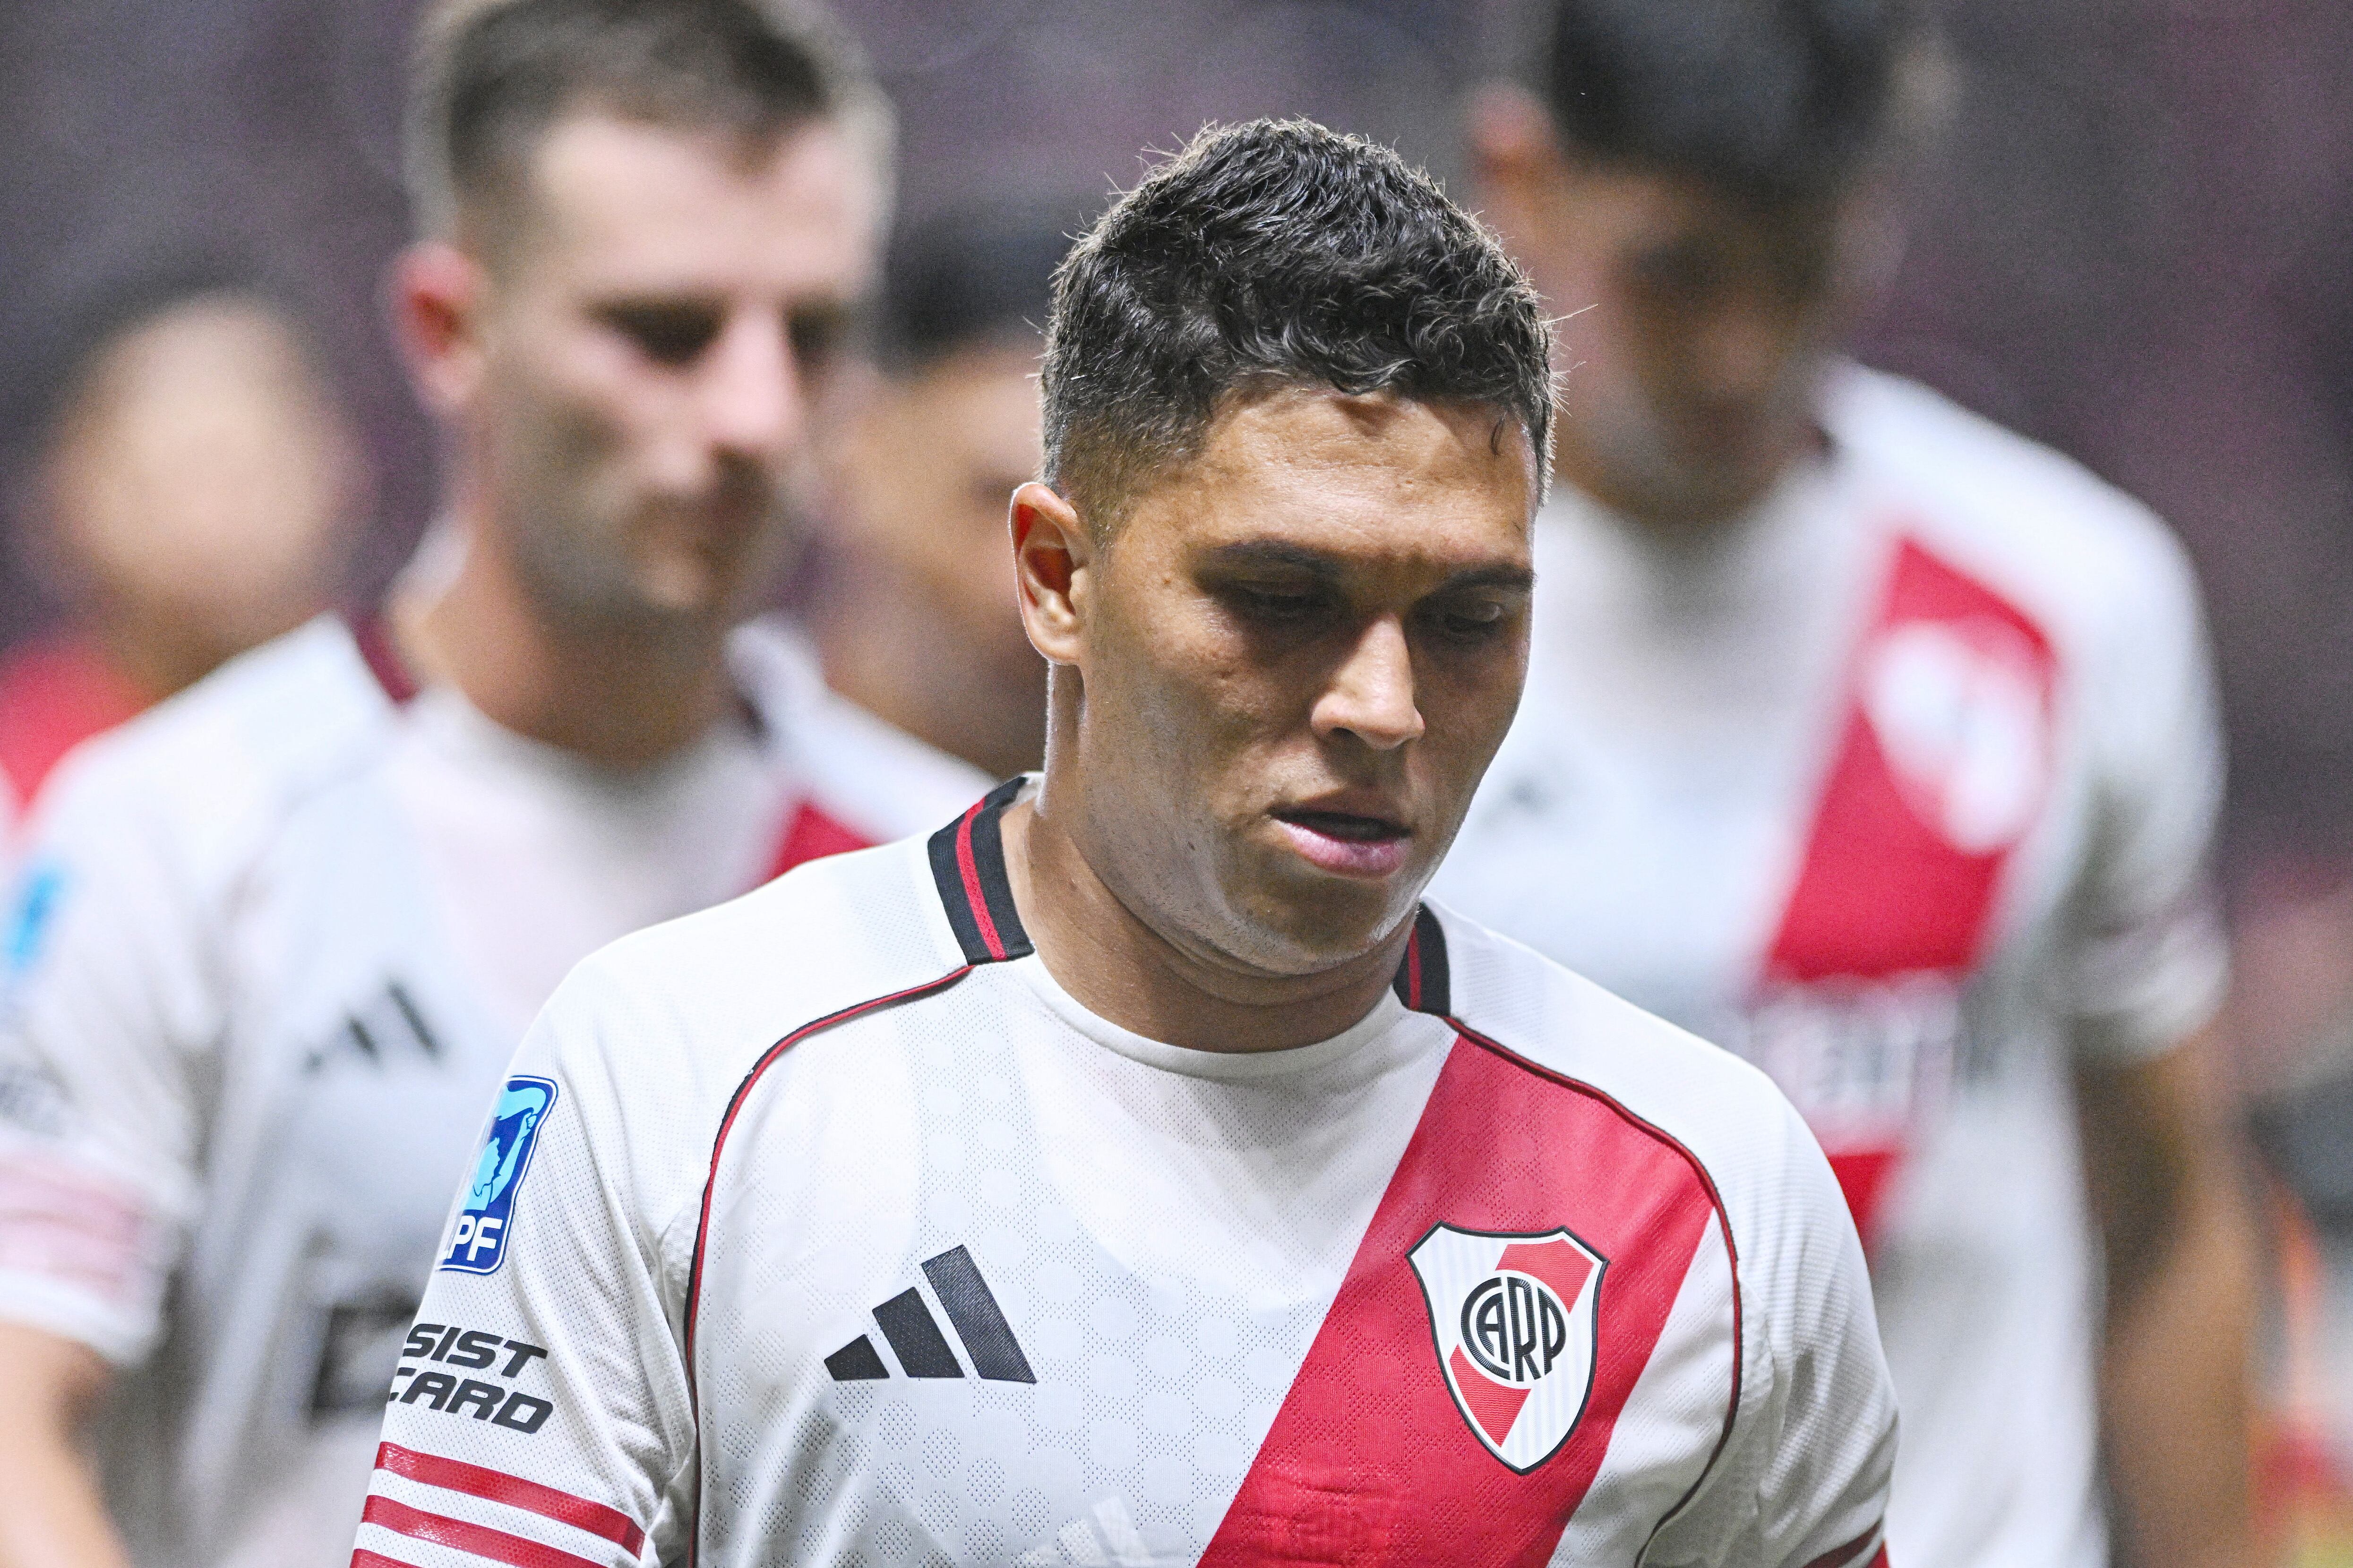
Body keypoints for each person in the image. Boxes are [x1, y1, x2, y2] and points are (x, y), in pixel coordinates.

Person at [358, 118, 1896, 1568]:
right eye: (1279, 598)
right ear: (1056, 576)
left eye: (1468, 618)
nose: (1382, 702)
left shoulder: (1706, 1190)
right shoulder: (685, 1076)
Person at [0, 2, 987, 1565]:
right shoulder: (173, 829)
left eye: (808, 332)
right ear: (451, 331)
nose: (753, 415)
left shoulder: (946, 871)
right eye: (664, 329)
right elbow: (13, 1418)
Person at [1434, 2, 2258, 1565]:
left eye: (1803, 272)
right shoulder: (1368, 614)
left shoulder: (2069, 598)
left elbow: (2166, 1209)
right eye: (1678, 272)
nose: (1743, 348)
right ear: (1519, 178)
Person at [0, 265, 361, 828]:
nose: (213, 521)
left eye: (245, 469)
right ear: (55, 501)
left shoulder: (419, 728)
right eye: (169, 476)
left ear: (343, 465)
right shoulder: (18, 776)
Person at [809, 201, 1073, 780]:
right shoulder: (713, 809)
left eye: (1097, 521)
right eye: (996, 500)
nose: (1050, 582)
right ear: (855, 454)